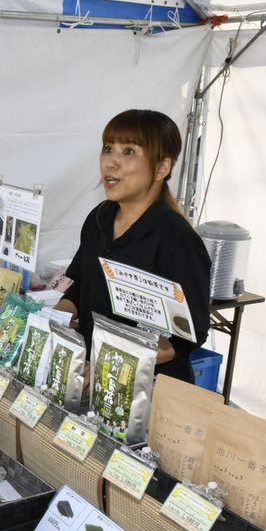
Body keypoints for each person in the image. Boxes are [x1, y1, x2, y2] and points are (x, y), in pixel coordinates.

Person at [56, 109, 211, 382]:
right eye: (108, 149)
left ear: (162, 168)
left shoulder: (178, 240)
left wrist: (109, 363)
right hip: (91, 377)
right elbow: (83, 287)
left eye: (128, 151)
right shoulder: (99, 219)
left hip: (147, 388)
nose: (110, 162)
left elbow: (187, 336)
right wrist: (54, 319)